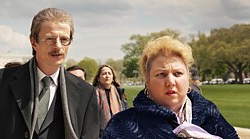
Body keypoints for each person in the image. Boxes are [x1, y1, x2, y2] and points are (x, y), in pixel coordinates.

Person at [0, 8, 99, 139]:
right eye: (50, 39)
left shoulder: (85, 93)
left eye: (64, 39)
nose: (58, 46)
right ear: (33, 42)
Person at [102, 36, 238, 139]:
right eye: (161, 74)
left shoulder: (210, 115)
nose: (170, 82)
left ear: (188, 79)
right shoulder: (121, 124)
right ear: (147, 82)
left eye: (178, 73)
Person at [92, 64, 128, 137]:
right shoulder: (92, 93)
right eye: (104, 74)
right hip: (99, 134)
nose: (107, 76)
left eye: (109, 73)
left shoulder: (119, 92)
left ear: (113, 78)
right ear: (98, 78)